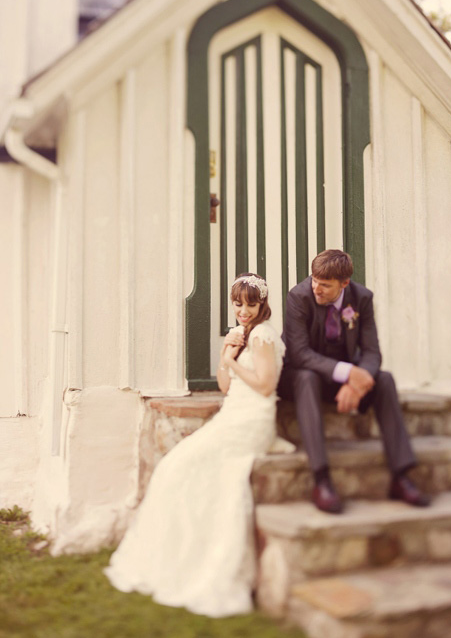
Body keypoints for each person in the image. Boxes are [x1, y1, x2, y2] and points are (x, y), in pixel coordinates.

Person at [104, 273, 286, 617]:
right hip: (233, 414)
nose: (243, 310)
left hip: (252, 422)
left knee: (183, 466)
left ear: (262, 304)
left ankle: (205, 560)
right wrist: (226, 351)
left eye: (250, 304)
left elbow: (264, 386)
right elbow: (225, 385)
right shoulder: (242, 334)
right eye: (238, 303)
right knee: (175, 466)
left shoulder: (262, 336)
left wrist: (233, 361)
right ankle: (178, 553)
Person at [279, 249, 430, 514]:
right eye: (314, 280)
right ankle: (321, 479)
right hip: (300, 375)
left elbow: (372, 352)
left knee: (384, 380)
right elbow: (299, 354)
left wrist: (356, 383)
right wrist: (348, 373)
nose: (316, 288)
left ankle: (401, 475)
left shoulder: (362, 299)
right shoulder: (298, 297)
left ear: (344, 283)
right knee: (306, 377)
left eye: (325, 285)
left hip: (341, 378)